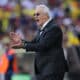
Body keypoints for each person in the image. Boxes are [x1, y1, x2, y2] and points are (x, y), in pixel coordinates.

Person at [9, 4, 68, 80]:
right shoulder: (42, 29)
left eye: (37, 14)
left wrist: (23, 45)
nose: (35, 16)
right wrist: (21, 41)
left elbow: (42, 46)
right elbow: (34, 44)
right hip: (44, 70)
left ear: (46, 15)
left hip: (52, 70)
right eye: (34, 14)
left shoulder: (54, 28)